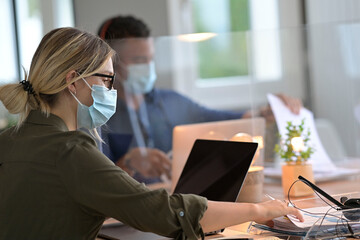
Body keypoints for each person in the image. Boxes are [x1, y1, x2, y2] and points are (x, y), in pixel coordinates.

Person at [0, 27, 303, 240]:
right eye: (106, 79)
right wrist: (260, 208)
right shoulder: (70, 150)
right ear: (73, 82)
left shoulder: (9, 140)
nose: (111, 89)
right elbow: (166, 214)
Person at [97, 15, 302, 183]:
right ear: (111, 62)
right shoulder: (97, 114)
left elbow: (222, 120)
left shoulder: (170, 102)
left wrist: (265, 113)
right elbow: (96, 186)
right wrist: (129, 162)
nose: (148, 67)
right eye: (139, 61)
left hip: (169, 204)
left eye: (151, 59)